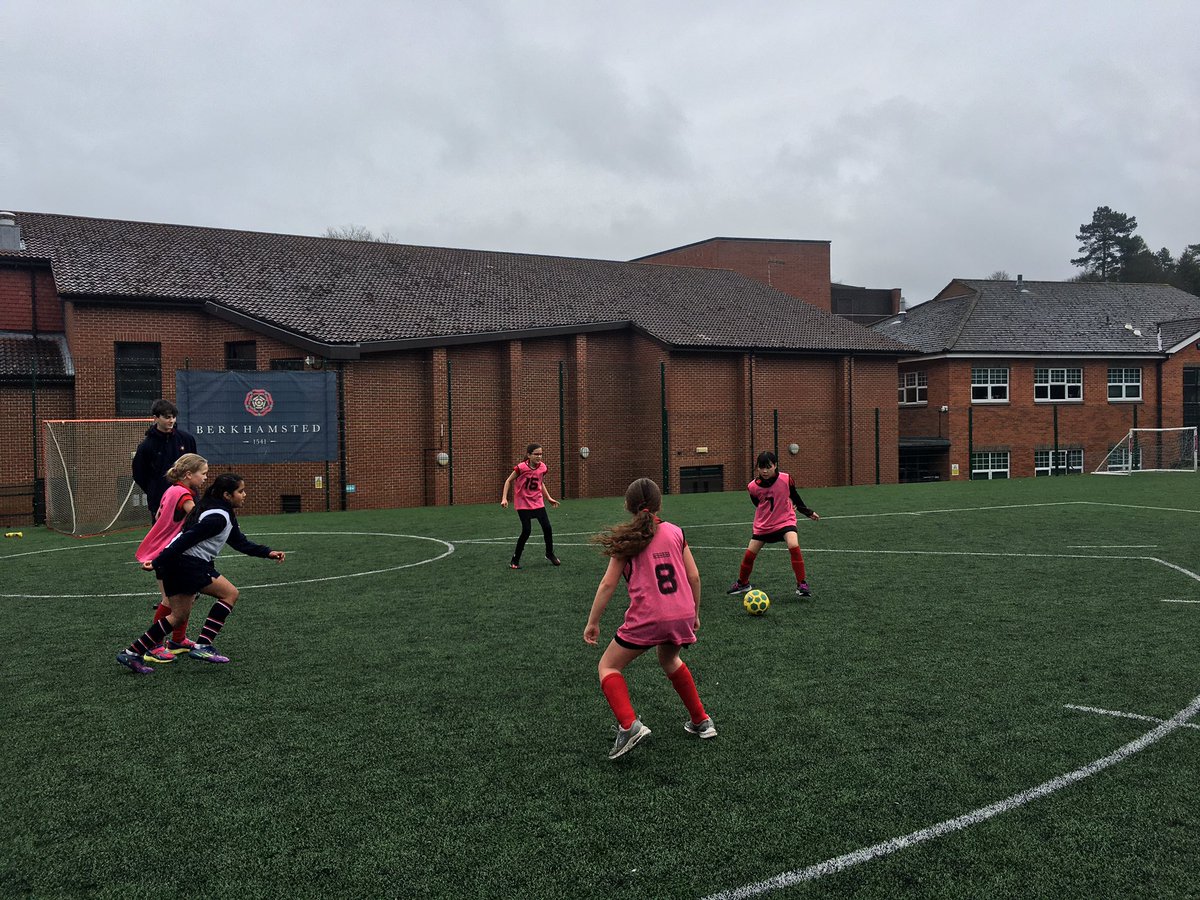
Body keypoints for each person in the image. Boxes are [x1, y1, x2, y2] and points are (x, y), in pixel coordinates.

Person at [583, 477, 715, 760]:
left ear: (628, 506)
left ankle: (629, 725)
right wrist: (695, 613)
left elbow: (607, 584)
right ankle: (702, 721)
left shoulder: (627, 540)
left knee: (608, 666)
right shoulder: (676, 532)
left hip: (649, 618)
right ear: (659, 504)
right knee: (670, 659)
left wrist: (593, 622)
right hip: (681, 613)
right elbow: (693, 576)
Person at [115, 473, 284, 674]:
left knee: (177, 616)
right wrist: (159, 561)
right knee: (230, 594)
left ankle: (132, 652)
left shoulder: (220, 511)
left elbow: (240, 542)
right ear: (227, 495)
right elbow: (186, 539)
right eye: (241, 491)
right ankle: (203, 646)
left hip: (178, 565)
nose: (244, 495)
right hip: (186, 564)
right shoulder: (217, 517)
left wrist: (268, 552)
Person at [132, 453, 209, 665]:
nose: (204, 478)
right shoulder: (185, 495)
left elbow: (158, 515)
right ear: (188, 474)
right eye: (202, 474)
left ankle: (178, 641)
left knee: (188, 597)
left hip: (169, 551)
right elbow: (198, 519)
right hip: (169, 553)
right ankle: (154, 645)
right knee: (170, 600)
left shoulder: (171, 491)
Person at [726, 450, 820, 598]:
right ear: (757, 468)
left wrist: (808, 512)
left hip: (785, 520)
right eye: (761, 467)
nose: (764, 471)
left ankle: (801, 584)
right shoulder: (752, 487)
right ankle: (743, 583)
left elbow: (794, 496)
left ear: (775, 465)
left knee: (793, 545)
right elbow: (758, 504)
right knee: (749, 555)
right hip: (764, 524)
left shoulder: (786, 479)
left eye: (768, 467)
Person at [131, 399, 198, 522]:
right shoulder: (146, 446)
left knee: (191, 535)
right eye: (167, 417)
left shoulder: (187, 439)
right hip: (160, 500)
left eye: (173, 417)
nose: (171, 420)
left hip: (188, 498)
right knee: (163, 539)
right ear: (156, 418)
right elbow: (139, 474)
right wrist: (155, 489)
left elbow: (195, 466)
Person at [499, 442, 560, 569]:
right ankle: (515, 560)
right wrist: (504, 498)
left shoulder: (543, 467)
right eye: (536, 454)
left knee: (547, 528)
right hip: (523, 503)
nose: (539, 457)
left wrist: (548, 498)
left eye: (541, 454)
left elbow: (540, 482)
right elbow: (508, 481)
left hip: (537, 501)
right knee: (526, 530)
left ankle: (549, 554)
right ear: (529, 455)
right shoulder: (521, 467)